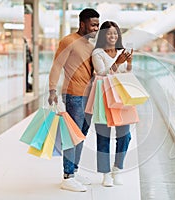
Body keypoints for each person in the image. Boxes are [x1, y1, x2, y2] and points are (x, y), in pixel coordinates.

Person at [48, 8, 100, 192]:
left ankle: (74, 171)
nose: (96, 28)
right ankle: (67, 176)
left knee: (81, 135)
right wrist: (52, 89)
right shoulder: (68, 41)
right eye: (93, 24)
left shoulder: (92, 46)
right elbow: (57, 65)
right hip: (73, 95)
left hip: (89, 97)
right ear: (82, 23)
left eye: (98, 25)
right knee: (72, 136)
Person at [91, 21, 133, 187]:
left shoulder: (122, 51)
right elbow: (101, 74)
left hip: (121, 96)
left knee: (125, 135)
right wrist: (117, 62)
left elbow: (127, 73)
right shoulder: (98, 53)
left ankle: (117, 169)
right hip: (104, 97)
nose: (112, 36)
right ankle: (105, 173)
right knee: (103, 136)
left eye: (115, 33)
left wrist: (129, 62)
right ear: (103, 36)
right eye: (109, 33)